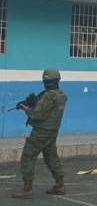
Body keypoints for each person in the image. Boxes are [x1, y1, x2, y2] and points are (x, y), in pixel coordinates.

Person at [12, 69, 68, 199]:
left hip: (41, 132)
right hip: (52, 131)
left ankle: (27, 189)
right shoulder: (61, 95)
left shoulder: (48, 96)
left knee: (28, 157)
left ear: (45, 81)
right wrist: (35, 102)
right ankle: (60, 185)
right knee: (51, 157)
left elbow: (38, 115)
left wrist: (25, 108)